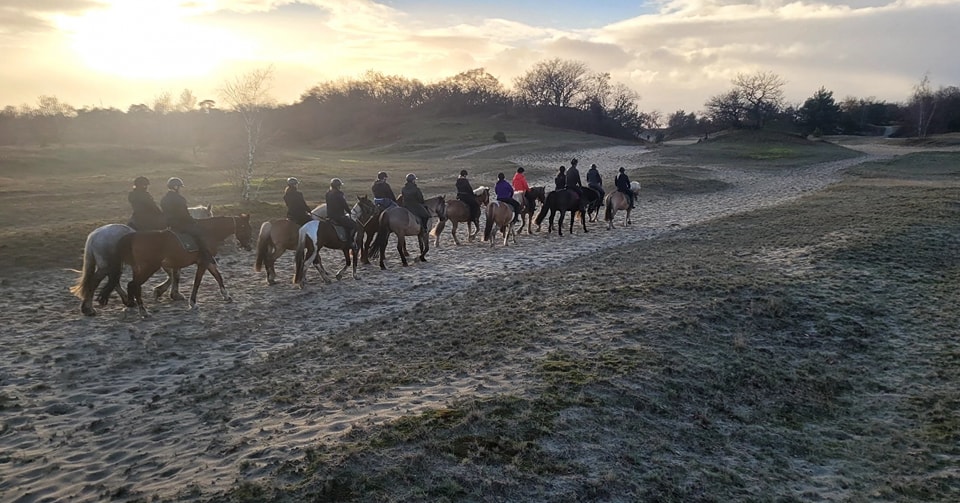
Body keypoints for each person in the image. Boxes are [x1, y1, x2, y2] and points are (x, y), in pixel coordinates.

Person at [160, 177, 215, 264]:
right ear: (175, 187)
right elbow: (184, 214)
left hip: (169, 224)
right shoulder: (179, 198)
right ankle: (205, 256)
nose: (180, 189)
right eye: (179, 187)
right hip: (180, 224)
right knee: (199, 233)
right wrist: (193, 221)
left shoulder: (164, 199)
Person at [325, 178, 358, 248]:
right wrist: (349, 211)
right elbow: (344, 204)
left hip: (330, 216)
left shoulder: (328, 193)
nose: (340, 187)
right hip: (339, 216)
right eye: (339, 186)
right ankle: (350, 241)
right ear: (337, 186)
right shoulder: (339, 194)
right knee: (353, 225)